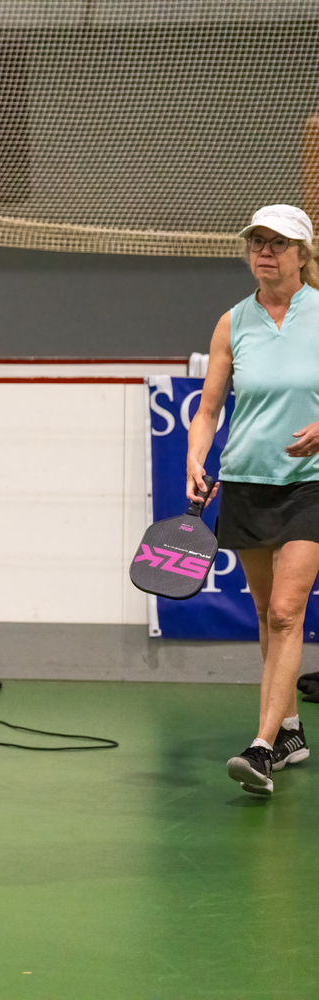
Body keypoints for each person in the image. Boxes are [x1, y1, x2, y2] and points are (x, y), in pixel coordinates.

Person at [189, 204, 319, 796]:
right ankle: (290, 728)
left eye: (277, 242)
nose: (264, 250)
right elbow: (210, 407)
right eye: (256, 241)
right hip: (246, 481)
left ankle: (261, 746)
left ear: (302, 254)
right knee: (268, 616)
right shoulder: (232, 322)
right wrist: (198, 454)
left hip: (309, 482)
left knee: (288, 612)